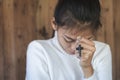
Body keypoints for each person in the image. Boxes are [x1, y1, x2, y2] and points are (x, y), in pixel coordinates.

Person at [25, 0, 112, 80]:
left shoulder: (102, 51)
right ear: (54, 24)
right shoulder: (39, 50)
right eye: (69, 39)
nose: (75, 48)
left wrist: (87, 68)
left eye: (87, 39)